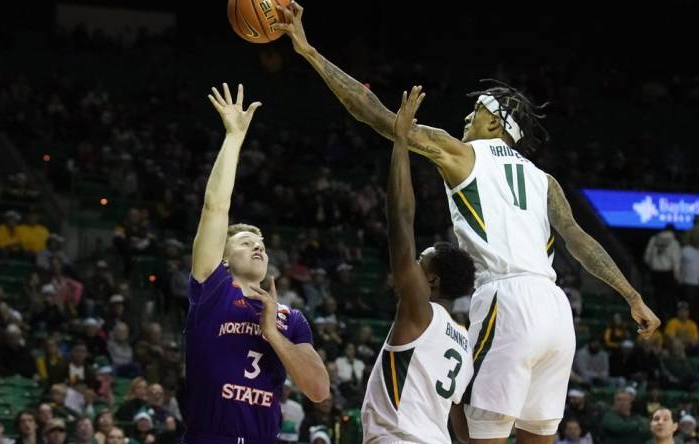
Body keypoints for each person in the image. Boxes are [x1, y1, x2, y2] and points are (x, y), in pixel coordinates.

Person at [274, 6, 660, 443]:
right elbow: (580, 241)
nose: (465, 120)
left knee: (483, 438)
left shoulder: (461, 152)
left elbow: (377, 116)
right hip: (556, 309)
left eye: (474, 112)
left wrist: (308, 51)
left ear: (494, 121)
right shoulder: (544, 180)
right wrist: (632, 296)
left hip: (506, 299)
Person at [183, 83, 328, 443]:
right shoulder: (211, 290)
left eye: (261, 244)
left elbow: (319, 390)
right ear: (225, 259)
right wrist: (234, 137)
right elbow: (215, 206)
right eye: (246, 243)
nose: (258, 248)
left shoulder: (291, 319)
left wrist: (273, 334)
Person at [360, 87, 476, 443]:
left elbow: (401, 219)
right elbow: (458, 413)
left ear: (433, 280)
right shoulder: (464, 343)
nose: (413, 260)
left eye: (420, 260)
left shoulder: (419, 312)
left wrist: (399, 141)